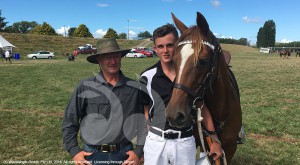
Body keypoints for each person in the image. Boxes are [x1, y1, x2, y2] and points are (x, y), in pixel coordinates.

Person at [140, 24, 222, 165]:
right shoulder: (147, 76)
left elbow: (202, 106)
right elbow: (145, 106)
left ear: (177, 45)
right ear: (155, 49)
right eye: (160, 46)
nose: (165, 51)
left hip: (184, 141)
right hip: (156, 142)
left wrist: (214, 140)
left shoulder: (189, 74)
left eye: (170, 45)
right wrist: (149, 131)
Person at [62, 38, 147, 165]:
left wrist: (139, 151)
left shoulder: (134, 88)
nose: (113, 61)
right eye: (108, 57)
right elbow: (70, 121)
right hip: (92, 156)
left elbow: (143, 122)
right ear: (99, 60)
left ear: (121, 58)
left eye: (116, 56)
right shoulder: (86, 86)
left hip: (125, 155)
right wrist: (74, 151)